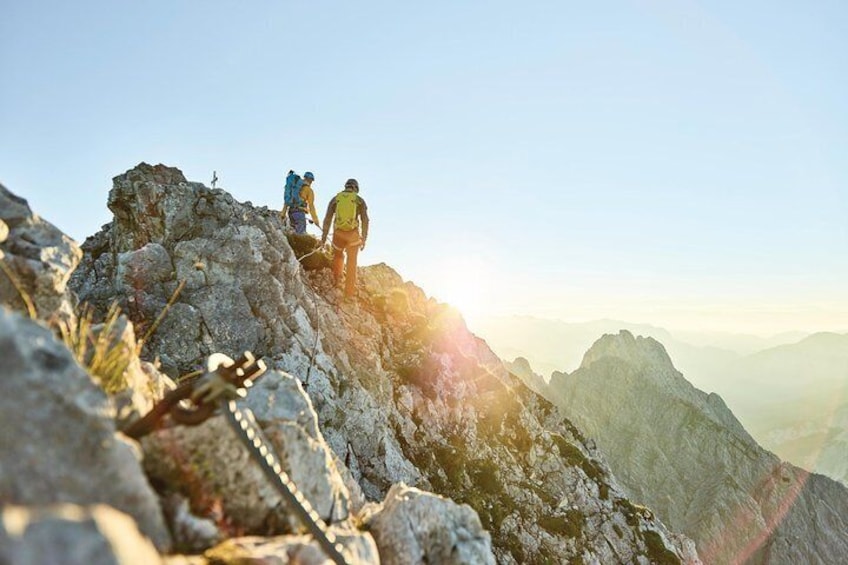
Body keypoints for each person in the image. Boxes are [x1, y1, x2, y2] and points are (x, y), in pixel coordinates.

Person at [321, 178, 369, 299]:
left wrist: (324, 237)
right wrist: (364, 238)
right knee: (352, 262)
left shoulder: (336, 199)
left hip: (338, 234)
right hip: (353, 236)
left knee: (338, 256)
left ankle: (337, 281)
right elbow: (365, 220)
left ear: (346, 186)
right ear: (356, 189)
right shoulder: (359, 200)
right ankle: (348, 294)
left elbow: (327, 218)